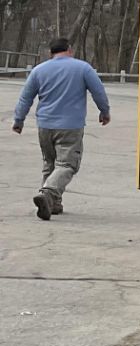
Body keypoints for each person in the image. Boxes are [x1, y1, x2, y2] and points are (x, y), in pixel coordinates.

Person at [11, 37, 111, 221]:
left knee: (50, 164)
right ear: (70, 49)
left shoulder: (39, 70)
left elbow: (25, 98)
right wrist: (104, 111)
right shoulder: (83, 68)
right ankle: (48, 192)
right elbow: (98, 91)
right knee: (67, 165)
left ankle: (53, 204)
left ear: (51, 53)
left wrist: (19, 119)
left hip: (45, 126)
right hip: (70, 126)